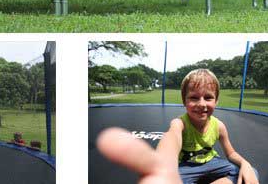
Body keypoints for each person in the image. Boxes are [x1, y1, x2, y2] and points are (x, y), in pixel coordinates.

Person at [97, 69, 259, 184]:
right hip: (186, 167)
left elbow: (231, 153)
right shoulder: (180, 124)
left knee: (250, 173)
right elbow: (172, 139)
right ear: (184, 101)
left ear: (216, 101)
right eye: (194, 98)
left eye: (208, 97)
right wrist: (164, 164)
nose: (201, 104)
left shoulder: (219, 126)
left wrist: (245, 164)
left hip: (212, 163)